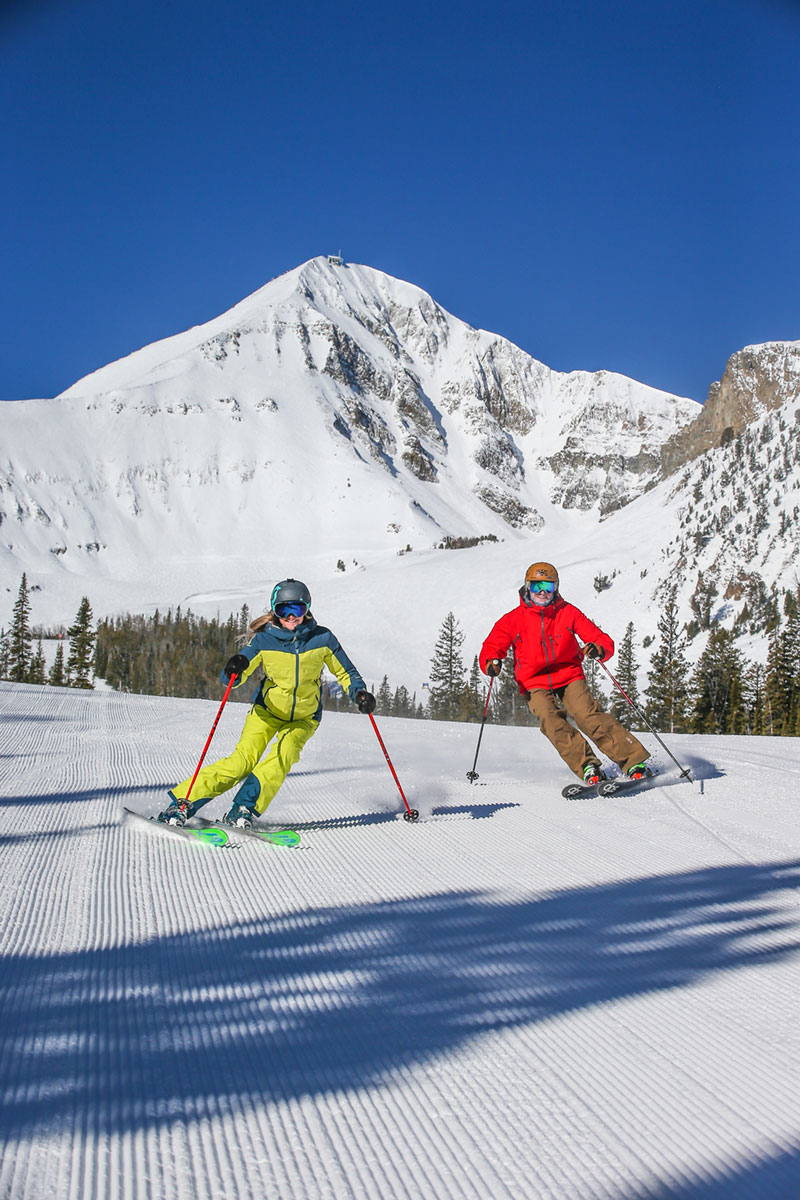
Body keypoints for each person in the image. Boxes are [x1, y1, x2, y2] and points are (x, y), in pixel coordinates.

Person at [158, 579, 376, 827]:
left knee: (284, 754)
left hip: (304, 717)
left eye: (298, 609)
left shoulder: (322, 638)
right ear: (275, 610)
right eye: (285, 610)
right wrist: (235, 669)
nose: (292, 617)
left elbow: (346, 672)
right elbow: (235, 675)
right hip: (266, 712)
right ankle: (183, 803)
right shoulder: (264, 641)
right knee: (241, 762)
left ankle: (243, 809)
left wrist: (359, 694)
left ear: (307, 609)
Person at [479, 562, 651, 785]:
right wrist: (491, 662)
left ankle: (632, 760)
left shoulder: (567, 613)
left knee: (587, 715)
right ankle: (587, 765)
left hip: (569, 674)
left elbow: (601, 638)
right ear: (527, 587)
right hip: (534, 682)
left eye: (548, 587)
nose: (542, 592)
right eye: (537, 586)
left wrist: (599, 648)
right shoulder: (513, 619)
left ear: (556, 588)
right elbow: (492, 646)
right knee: (550, 719)